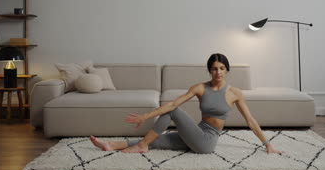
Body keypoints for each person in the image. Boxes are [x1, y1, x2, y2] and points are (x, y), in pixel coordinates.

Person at [90, 53, 283, 154]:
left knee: (172, 112)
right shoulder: (199, 88)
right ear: (209, 70)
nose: (218, 72)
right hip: (197, 133)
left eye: (222, 68)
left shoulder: (235, 93)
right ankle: (112, 145)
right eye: (214, 69)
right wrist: (145, 116)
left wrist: (267, 144)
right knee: (157, 140)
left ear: (227, 70)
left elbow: (250, 120)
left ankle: (141, 146)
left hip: (207, 142)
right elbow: (173, 102)